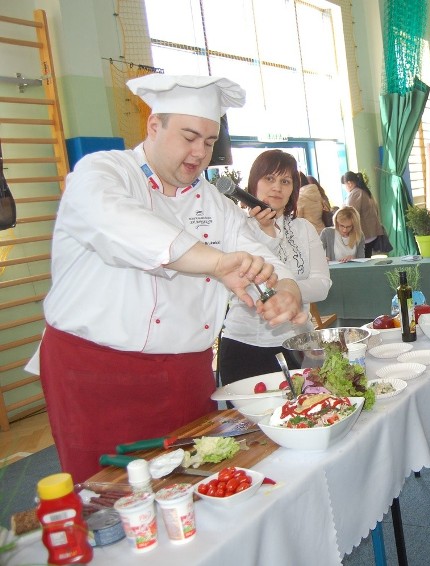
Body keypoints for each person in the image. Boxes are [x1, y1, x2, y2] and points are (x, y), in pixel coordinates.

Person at [26, 74, 306, 482]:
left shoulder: (213, 201)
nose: (199, 153)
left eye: (209, 143)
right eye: (189, 136)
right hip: (93, 372)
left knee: (197, 480)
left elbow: (259, 253)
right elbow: (125, 229)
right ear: (153, 126)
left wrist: (286, 289)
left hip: (184, 375)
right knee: (110, 496)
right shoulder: (102, 173)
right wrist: (216, 263)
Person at [218, 151, 331, 382]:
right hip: (245, 345)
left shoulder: (303, 228)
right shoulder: (237, 227)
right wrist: (266, 233)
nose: (277, 187)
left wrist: (290, 292)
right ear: (254, 183)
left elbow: (322, 286)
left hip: (299, 343)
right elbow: (254, 288)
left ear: (293, 190)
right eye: (269, 178)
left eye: (285, 181)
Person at [341, 171, 388, 257]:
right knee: (366, 259)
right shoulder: (364, 191)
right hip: (370, 233)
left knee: (363, 261)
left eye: (344, 185)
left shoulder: (356, 193)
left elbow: (349, 214)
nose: (344, 188)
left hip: (365, 234)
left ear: (349, 183)